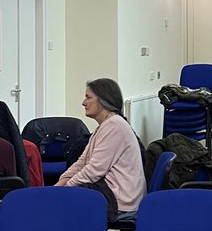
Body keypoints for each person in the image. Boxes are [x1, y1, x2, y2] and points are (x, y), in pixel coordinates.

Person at [56, 78, 146, 219]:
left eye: (88, 97)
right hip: (111, 194)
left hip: (120, 201)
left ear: (104, 100)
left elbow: (94, 170)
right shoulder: (105, 126)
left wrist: (66, 190)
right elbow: (82, 162)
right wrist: (60, 184)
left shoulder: (114, 127)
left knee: (63, 208)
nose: (83, 102)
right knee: (61, 202)